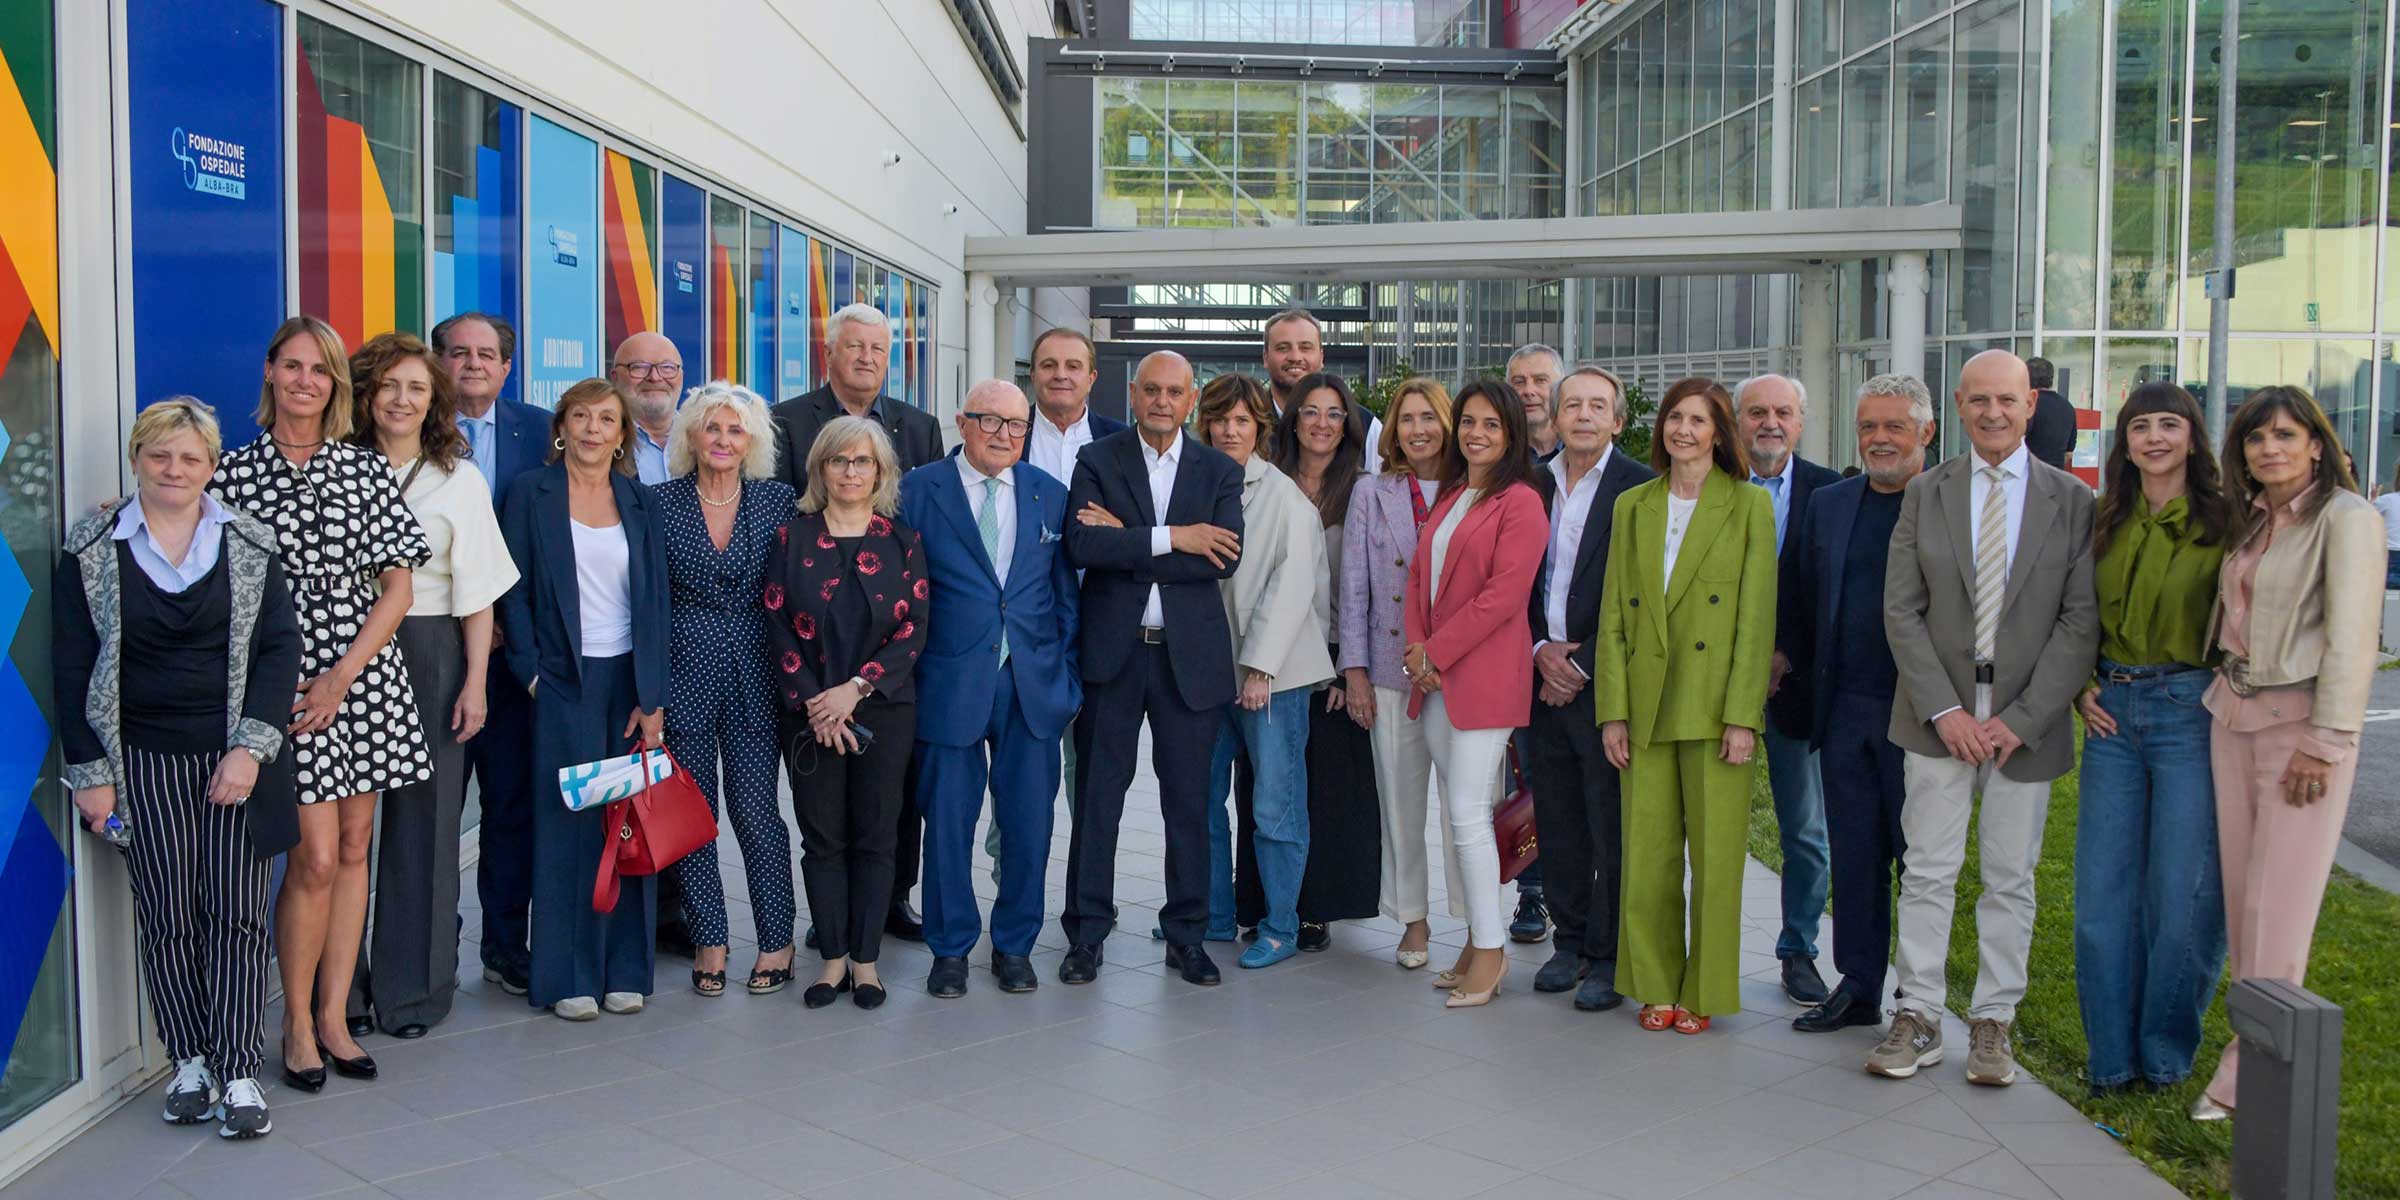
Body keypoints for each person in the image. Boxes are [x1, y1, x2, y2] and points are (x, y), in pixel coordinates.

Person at [56, 399, 302, 1140]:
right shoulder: (93, 543)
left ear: (211, 467)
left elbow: (279, 651)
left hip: (232, 760)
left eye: (190, 458)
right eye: (160, 455)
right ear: (137, 460)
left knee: (235, 914)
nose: (174, 469)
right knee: (167, 916)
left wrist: (248, 751)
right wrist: (90, 772)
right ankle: (188, 1059)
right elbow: (71, 665)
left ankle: (237, 1070)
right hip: (140, 762)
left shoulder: (251, 543)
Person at [212, 316, 430, 1091]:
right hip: (282, 682)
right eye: (293, 366)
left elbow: (399, 586)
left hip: (362, 674)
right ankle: (296, 1023)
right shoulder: (229, 475)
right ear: (270, 373)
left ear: (336, 385)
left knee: (353, 848)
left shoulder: (364, 470)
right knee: (309, 855)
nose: (306, 380)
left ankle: (337, 1016)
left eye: (321, 370)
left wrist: (343, 674)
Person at [1872, 350, 2097, 1086]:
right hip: (1937, 717)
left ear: (2030, 405)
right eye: (1979, 401)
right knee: (1930, 871)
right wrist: (1946, 709)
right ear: (1958, 410)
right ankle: (1920, 1013)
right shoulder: (1926, 493)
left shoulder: (2071, 500)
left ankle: (1995, 1020)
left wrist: (2022, 719)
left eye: (2007, 400)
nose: (1993, 413)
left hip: (2023, 724)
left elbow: (2078, 620)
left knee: (2009, 875)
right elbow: (1901, 610)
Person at [2192, 386, 2383, 1121]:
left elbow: (2354, 638)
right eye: (2254, 439)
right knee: (2246, 905)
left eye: (2284, 435)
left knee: (2281, 909)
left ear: (2316, 443)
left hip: (2300, 730)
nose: (2268, 449)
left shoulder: (2348, 518)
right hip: (2232, 719)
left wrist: (2326, 743)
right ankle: (2256, 1051)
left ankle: (2250, 1078)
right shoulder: (2257, 521)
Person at [342, 333, 518, 1039]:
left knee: (427, 823)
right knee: (342, 833)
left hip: (430, 647)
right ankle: (342, 989)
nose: (402, 400)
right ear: (364, 395)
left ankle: (412, 992)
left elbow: (478, 594)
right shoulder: (332, 468)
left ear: (434, 400)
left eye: (416, 388)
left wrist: (475, 681)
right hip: (341, 653)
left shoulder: (459, 479)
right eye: (389, 386)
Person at [1593, 377, 1775, 1035]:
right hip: (1643, 704)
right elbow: (1613, 612)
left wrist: (1742, 717)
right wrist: (1611, 710)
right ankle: (1655, 982)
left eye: (1698, 420)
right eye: (1675, 418)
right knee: (1648, 855)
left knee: (1717, 859)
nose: (1683, 431)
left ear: (1719, 432)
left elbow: (1756, 621)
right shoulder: (1633, 505)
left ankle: (1706, 988)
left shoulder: (1749, 506)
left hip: (1713, 705)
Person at [1060, 350, 1244, 987]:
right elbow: (1084, 544)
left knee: (1189, 804)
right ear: (1132, 394)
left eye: (1175, 391)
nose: (1163, 401)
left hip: (1188, 662)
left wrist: (1131, 537)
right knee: (1097, 800)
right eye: (1151, 390)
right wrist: (1175, 536)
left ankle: (1187, 936)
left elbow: (1222, 559)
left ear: (1191, 400)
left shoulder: (1219, 470)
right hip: (1113, 654)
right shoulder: (1097, 459)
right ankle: (1086, 934)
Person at [2071, 382, 2231, 1094]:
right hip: (2112, 711)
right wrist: (2080, 683)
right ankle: (2110, 1059)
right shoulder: (2104, 518)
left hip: (2191, 711)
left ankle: (2164, 1056)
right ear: (2124, 441)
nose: (2155, 438)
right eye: (2141, 426)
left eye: (2170, 424)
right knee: (2102, 896)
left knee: (2184, 894)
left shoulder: (2229, 520)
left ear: (2193, 436)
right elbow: (2071, 611)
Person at [495, 378, 670, 1020]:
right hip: (563, 680)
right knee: (567, 824)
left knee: (626, 818)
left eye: (607, 419)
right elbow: (508, 590)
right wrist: (533, 674)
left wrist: (653, 695)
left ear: (623, 434)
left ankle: (625, 967)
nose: (594, 429)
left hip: (628, 680)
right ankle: (568, 975)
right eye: (581, 417)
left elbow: (656, 603)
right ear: (561, 428)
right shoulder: (528, 495)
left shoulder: (638, 500)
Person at [769, 301, 942, 946]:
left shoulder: (918, 428)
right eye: (854, 347)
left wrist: (864, 686)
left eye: (878, 348)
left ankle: (889, 904)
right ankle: (834, 924)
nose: (867, 358)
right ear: (830, 354)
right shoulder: (786, 424)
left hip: (884, 654)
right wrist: (820, 697)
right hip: (812, 644)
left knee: (891, 811)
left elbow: (919, 543)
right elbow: (777, 544)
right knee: (824, 820)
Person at [902, 380, 1079, 998]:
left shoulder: (1047, 494)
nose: (1004, 435)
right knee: (946, 822)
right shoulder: (917, 490)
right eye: (989, 422)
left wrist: (1067, 681)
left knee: (1029, 823)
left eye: (1016, 425)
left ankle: (1014, 946)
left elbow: (1064, 598)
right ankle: (949, 950)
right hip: (946, 683)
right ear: (962, 421)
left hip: (1031, 686)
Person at [1783, 375, 1937, 1034]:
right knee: (1854, 851)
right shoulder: (1831, 503)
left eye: (1893, 426)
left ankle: (1921, 994)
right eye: (1868, 426)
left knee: (1921, 859)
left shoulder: (1945, 504)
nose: (1878, 438)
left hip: (1924, 713)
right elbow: (1801, 598)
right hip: (1844, 706)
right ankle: (1861, 984)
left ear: (1925, 432)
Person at [766, 417, 927, 1010]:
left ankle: (866, 963)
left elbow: (913, 631)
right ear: (820, 470)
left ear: (880, 472)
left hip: (882, 711)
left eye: (862, 462)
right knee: (823, 838)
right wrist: (819, 702)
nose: (851, 472)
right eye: (839, 461)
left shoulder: (903, 541)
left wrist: (853, 691)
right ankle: (831, 960)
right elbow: (777, 624)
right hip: (810, 717)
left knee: (877, 838)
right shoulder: (792, 538)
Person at [1178, 374, 1335, 968]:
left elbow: (1291, 590)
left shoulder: (1285, 498)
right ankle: (1216, 916)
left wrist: (1259, 670)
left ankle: (1280, 925)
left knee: (1275, 806)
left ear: (1260, 429)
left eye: (1242, 420)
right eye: (1219, 419)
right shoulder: (1196, 486)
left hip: (1272, 677)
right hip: (1208, 672)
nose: (1229, 430)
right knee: (1201, 799)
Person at [1402, 380, 1547, 1008]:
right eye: (1468, 422)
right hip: (1434, 680)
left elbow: (1503, 597)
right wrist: (1418, 652)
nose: (1477, 434)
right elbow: (1418, 581)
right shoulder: (1458, 494)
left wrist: (1437, 651)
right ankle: (1475, 941)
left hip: (1484, 680)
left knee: (1467, 816)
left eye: (1491, 424)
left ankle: (1491, 951)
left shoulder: (1521, 501)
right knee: (1457, 815)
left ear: (1511, 432)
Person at [655, 381, 799, 997]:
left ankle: (777, 940)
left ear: (753, 441)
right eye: (711, 428)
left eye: (735, 429)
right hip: (681, 670)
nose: (722, 439)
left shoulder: (779, 500)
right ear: (691, 436)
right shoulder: (657, 503)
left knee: (757, 812)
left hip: (756, 674)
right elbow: (646, 600)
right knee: (695, 816)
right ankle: (710, 938)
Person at [1524, 365, 1651, 1013]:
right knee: (1558, 822)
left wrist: (1585, 663)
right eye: (1571, 404)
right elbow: (1512, 576)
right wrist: (1540, 653)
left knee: (1611, 825)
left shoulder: (1641, 489)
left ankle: (1607, 955)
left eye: (1597, 406)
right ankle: (1567, 941)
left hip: (1605, 688)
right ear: (1554, 415)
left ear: (1618, 420)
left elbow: (1644, 597)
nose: (1583, 415)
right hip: (1534, 681)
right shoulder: (1528, 482)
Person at [434, 312, 551, 997]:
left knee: (509, 809)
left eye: (487, 354)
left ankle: (505, 947)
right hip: (427, 652)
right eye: (459, 353)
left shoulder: (540, 432)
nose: (473, 364)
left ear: (508, 367)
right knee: (433, 813)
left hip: (514, 663)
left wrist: (515, 626)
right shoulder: (404, 431)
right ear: (438, 361)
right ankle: (429, 953)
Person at [1340, 378, 1458, 970]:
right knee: (1401, 802)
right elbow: (1355, 584)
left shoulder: (1476, 488)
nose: (1417, 430)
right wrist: (1354, 670)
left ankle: (1476, 922)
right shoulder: (1373, 491)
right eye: (1405, 419)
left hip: (1463, 673)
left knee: (1466, 806)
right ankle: (1413, 919)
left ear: (1449, 423)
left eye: (1428, 418)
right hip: (1391, 670)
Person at [1734, 372, 1843, 1006]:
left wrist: (1784, 657)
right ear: (1738, 421)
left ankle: (1798, 948)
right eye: (1756, 413)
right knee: (1710, 827)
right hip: (1719, 691)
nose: (1769, 423)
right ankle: (1705, 950)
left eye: (1782, 412)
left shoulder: (1831, 493)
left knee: (1804, 829)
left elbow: (1832, 598)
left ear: (1801, 421)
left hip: (1798, 689)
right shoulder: (1713, 488)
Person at [1265, 372, 1382, 953]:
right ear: (1293, 420)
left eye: (1334, 414)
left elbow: (1367, 584)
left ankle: (1315, 907)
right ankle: (1265, 899)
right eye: (1310, 411)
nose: (1321, 423)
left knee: (1328, 788)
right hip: (1268, 656)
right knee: (1270, 785)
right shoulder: (1266, 481)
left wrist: (1347, 667)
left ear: (1349, 425)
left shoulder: (1363, 489)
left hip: (1335, 659)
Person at [1260, 307, 1381, 449]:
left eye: (1305, 347)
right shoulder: (1246, 422)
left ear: (1321, 357)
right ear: (1265, 357)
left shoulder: (1364, 425)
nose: (1295, 357)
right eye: (1283, 348)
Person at [1027, 326, 1129, 486]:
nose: (1060, 375)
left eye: (1073, 366)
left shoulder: (1122, 440)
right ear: (1033, 375)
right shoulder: (1008, 433)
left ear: (1091, 378)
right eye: (1048, 365)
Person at [608, 331, 686, 485]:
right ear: (615, 378)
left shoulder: (704, 439)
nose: (655, 377)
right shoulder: (598, 440)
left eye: (667, 367)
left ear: (681, 376)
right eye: (639, 367)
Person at [1507, 343, 1564, 459]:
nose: (1528, 391)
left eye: (1540, 380)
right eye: (1519, 382)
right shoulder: (1495, 454)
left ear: (1560, 388)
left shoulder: (1581, 449)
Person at [2024, 356, 2075, 470]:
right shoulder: (2067, 407)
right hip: (2056, 477)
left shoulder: (2028, 405)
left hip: (2030, 473)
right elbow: (2068, 453)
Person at [2374, 461, 2400, 589]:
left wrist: (2373, 500)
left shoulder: (2388, 499)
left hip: (2389, 555)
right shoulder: (2388, 500)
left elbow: (2365, 514)